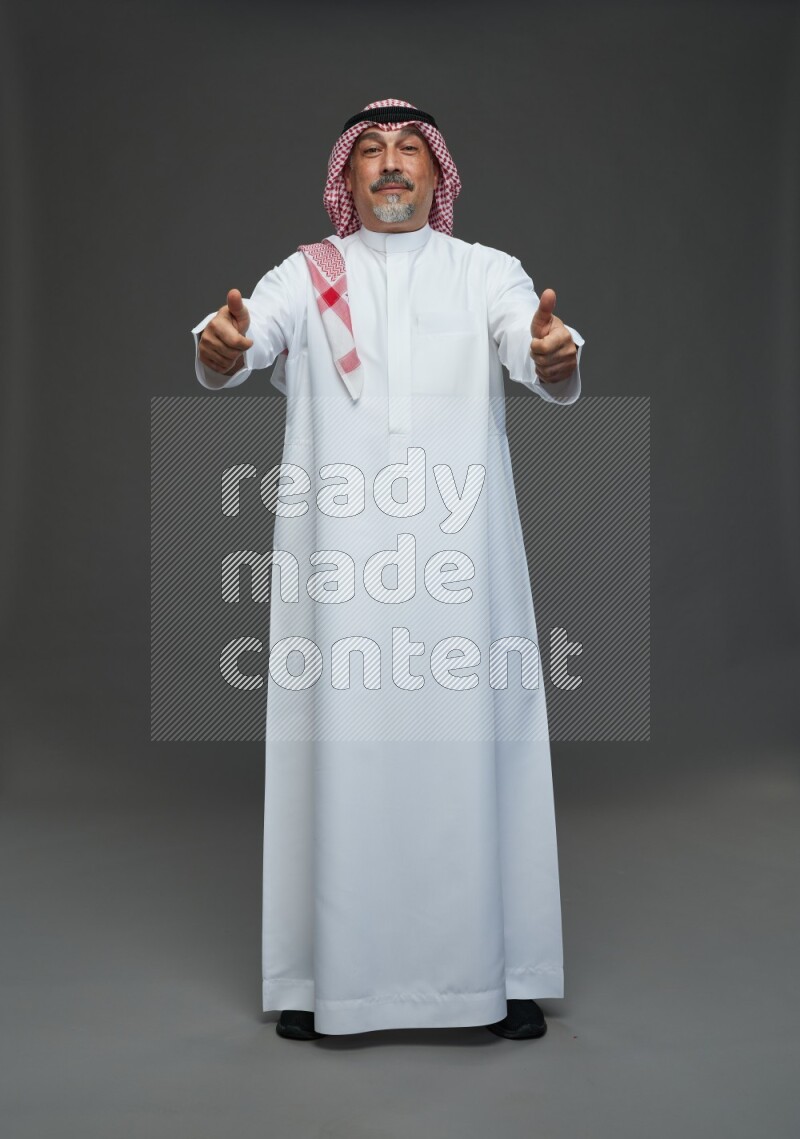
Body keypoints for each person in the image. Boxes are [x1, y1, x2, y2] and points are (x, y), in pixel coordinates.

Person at [191, 98, 584, 1042]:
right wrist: (221, 345)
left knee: (475, 747)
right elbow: (246, 337)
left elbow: (534, 347)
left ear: (438, 173)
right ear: (348, 176)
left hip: (461, 566)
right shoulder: (306, 274)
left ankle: (499, 972)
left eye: (410, 148)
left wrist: (553, 355)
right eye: (371, 151)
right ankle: (324, 979)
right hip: (341, 574)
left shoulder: (485, 271)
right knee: (340, 748)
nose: (393, 163)